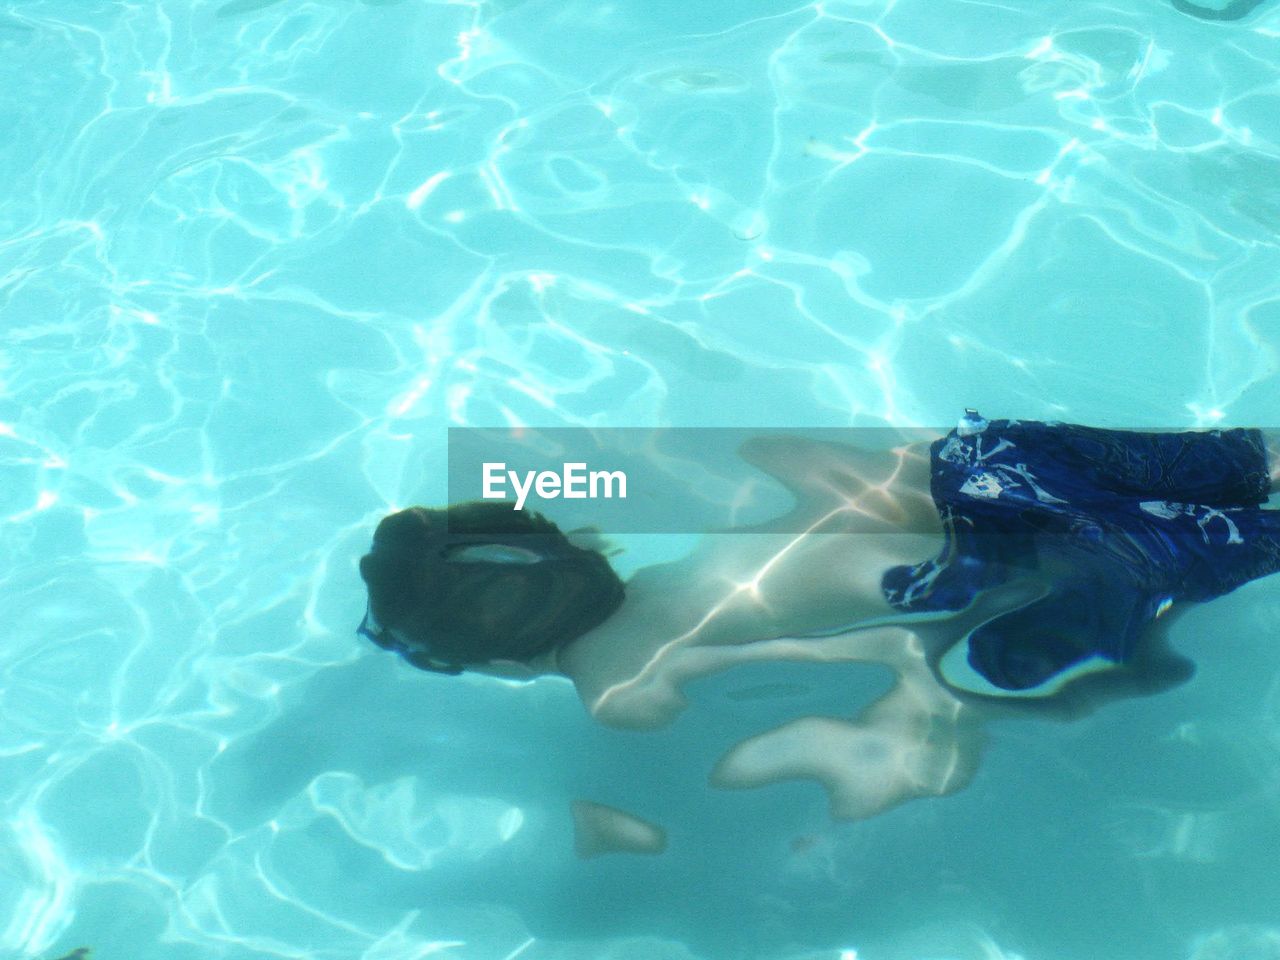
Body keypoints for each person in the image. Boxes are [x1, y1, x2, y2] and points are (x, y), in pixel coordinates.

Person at [357, 411, 1280, 819]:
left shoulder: (617, 689)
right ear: (584, 539)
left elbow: (821, 715)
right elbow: (789, 463)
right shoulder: (695, 558)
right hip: (976, 470)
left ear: (492, 665)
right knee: (1233, 463)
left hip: (986, 575)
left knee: (1038, 628)